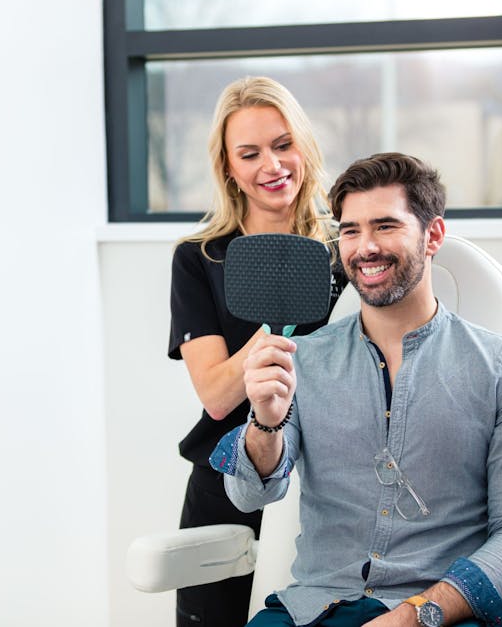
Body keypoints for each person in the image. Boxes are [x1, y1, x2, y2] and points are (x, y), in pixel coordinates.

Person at [209, 152, 502, 627]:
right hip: (309, 610)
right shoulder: (302, 360)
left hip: (440, 615)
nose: (364, 247)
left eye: (385, 226)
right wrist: (265, 423)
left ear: (433, 235)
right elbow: (249, 496)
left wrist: (414, 616)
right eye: (350, 230)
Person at [168, 76, 349, 627]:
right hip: (223, 490)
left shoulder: (345, 252)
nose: (272, 165)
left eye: (283, 144)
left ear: (304, 146)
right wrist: (276, 315)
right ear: (228, 167)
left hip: (324, 491)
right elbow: (218, 399)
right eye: (250, 153)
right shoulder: (198, 259)